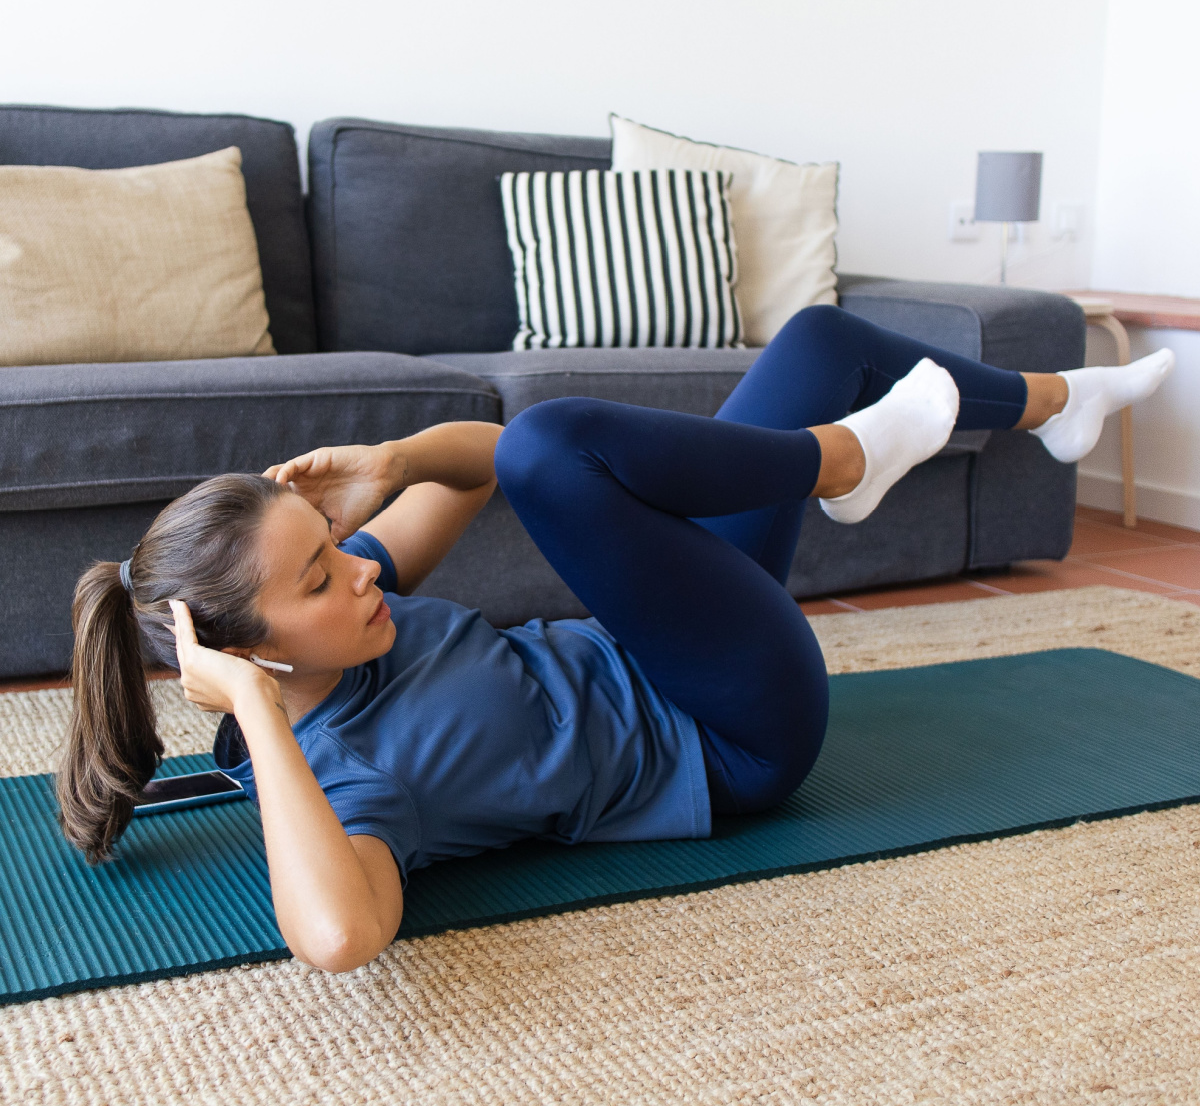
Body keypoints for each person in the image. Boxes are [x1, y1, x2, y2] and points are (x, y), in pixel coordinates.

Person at [57, 305, 1174, 973]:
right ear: (256, 656)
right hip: (729, 732)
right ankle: (841, 461)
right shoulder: (346, 785)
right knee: (558, 449)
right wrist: (250, 705)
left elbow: (485, 458)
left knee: (821, 340)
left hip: (668, 631)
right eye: (319, 575)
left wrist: (396, 464)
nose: (359, 566)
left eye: (337, 543)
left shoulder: (362, 614)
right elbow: (340, 939)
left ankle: (1060, 398)